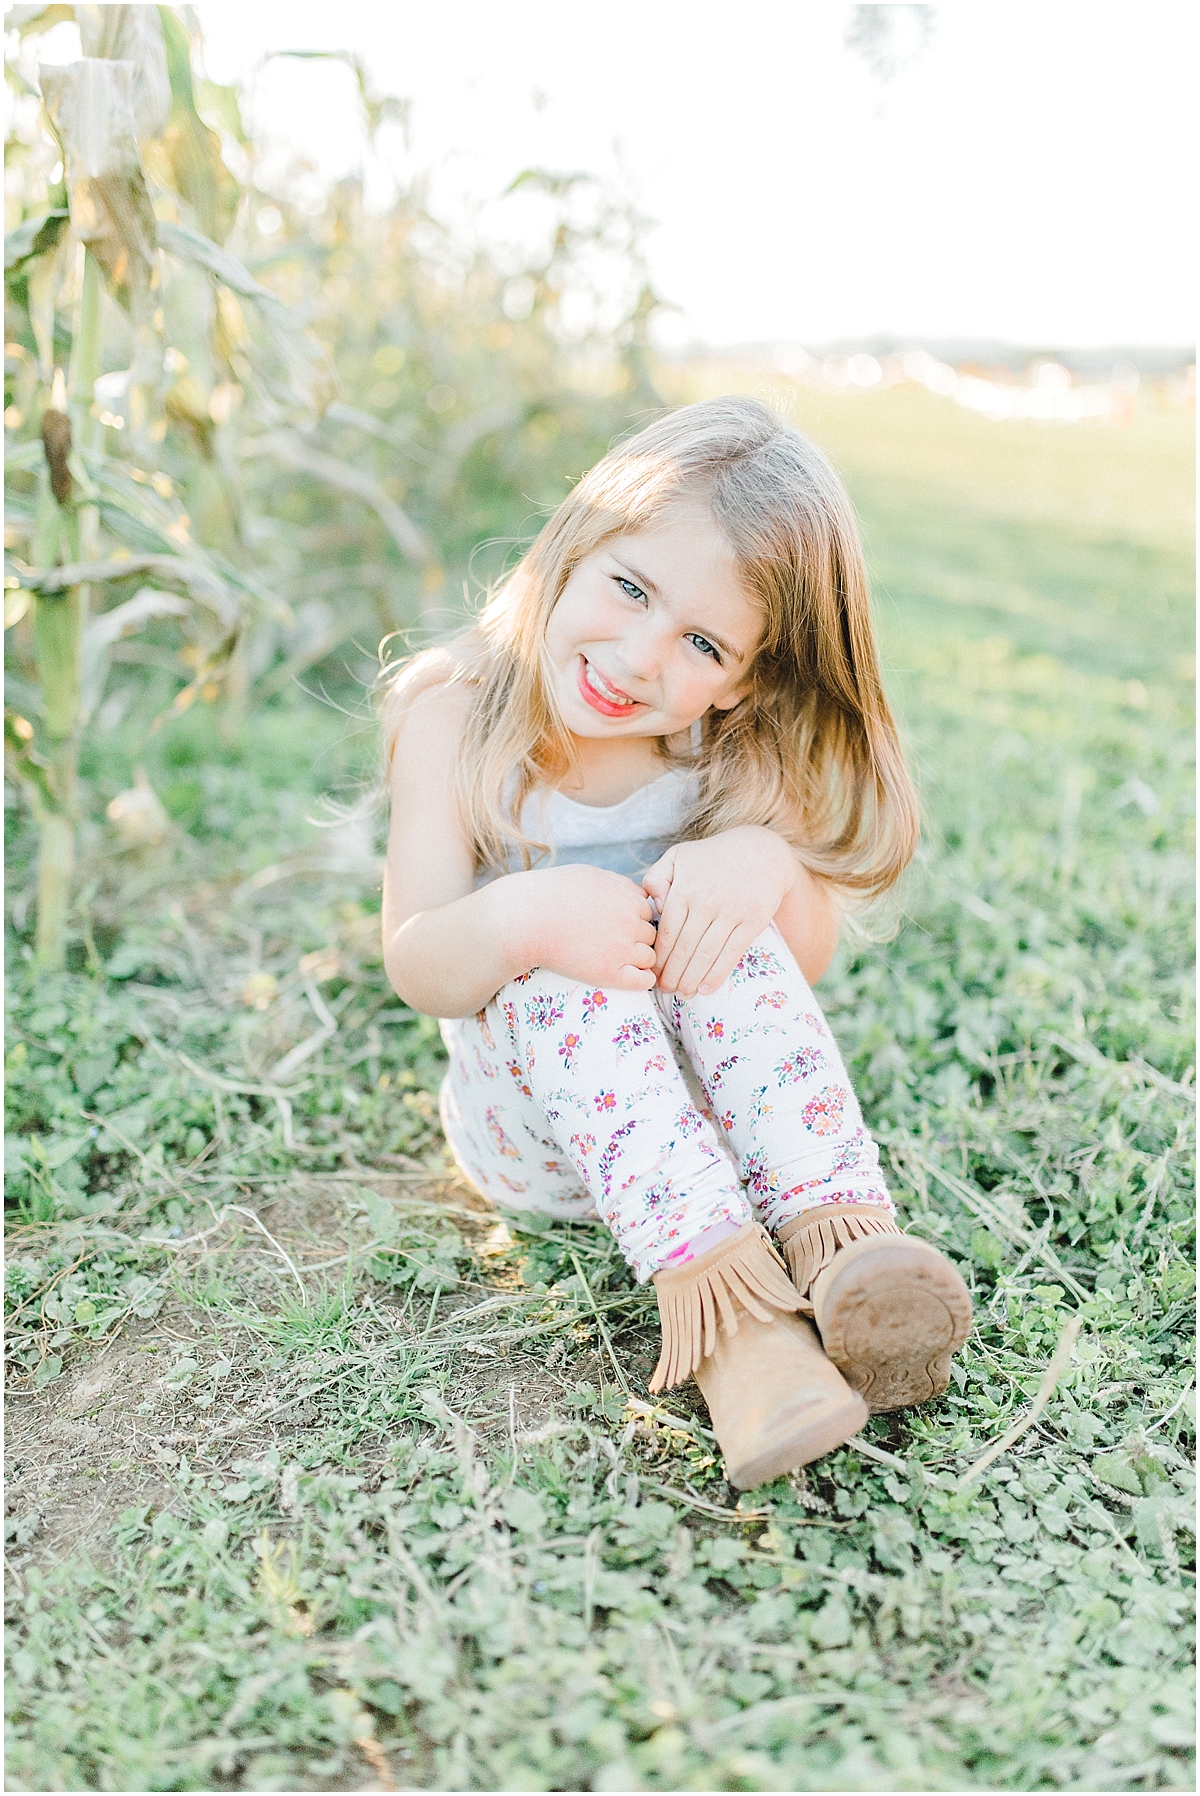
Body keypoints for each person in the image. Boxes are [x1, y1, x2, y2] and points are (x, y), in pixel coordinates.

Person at [381, 397, 971, 1489]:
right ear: (577, 540)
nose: (641, 655)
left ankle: (841, 1255)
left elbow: (803, 965)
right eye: (632, 587)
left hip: (713, 1125)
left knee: (730, 933)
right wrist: (524, 915)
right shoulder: (456, 714)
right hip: (544, 1136)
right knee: (566, 972)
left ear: (742, 675)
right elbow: (417, 957)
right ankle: (740, 1338)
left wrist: (766, 866)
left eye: (702, 641)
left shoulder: (726, 750)